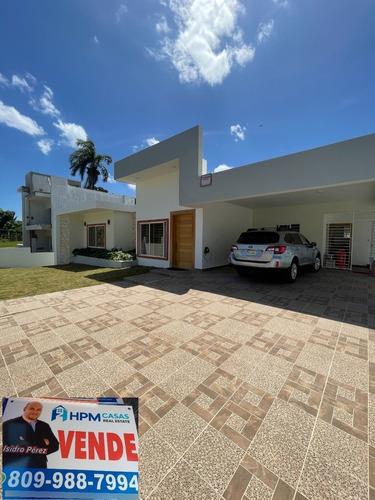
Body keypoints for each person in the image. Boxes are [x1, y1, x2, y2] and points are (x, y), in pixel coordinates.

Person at [3, 401, 59, 468]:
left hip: (39, 466)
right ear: (24, 409)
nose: (35, 412)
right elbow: (10, 447)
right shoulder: (10, 424)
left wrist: (27, 442)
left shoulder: (44, 425)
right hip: (16, 465)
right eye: (32, 408)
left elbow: (55, 445)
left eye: (38, 410)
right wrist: (43, 442)